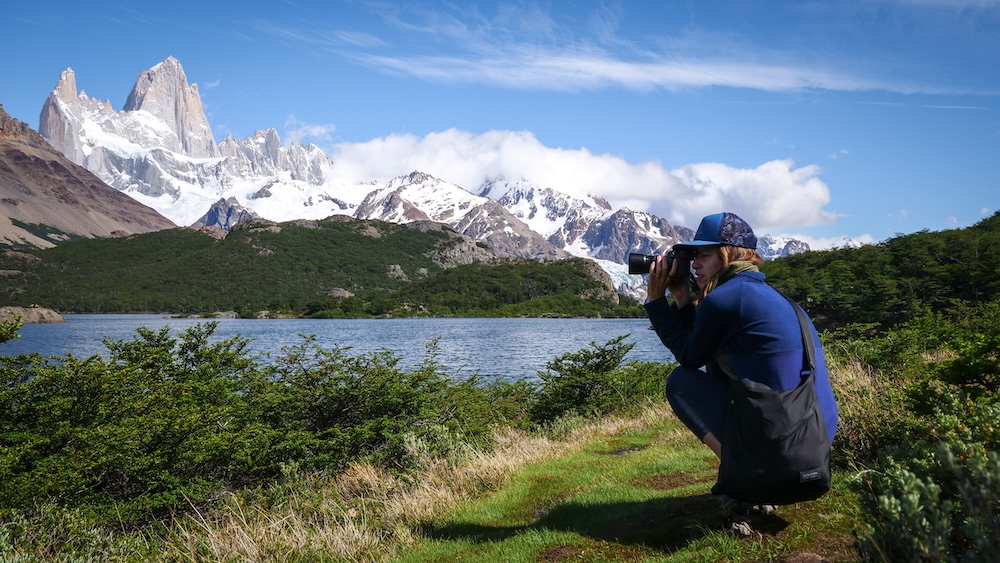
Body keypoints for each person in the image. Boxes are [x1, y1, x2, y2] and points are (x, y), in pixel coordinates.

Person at [643, 212, 838, 466]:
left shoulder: (726, 298)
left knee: (679, 381)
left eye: (704, 255)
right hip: (815, 441)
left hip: (785, 447)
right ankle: (756, 470)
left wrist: (656, 301)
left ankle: (743, 475)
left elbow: (689, 358)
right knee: (718, 365)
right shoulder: (765, 294)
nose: (694, 265)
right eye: (694, 257)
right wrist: (681, 298)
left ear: (727, 254)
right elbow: (703, 345)